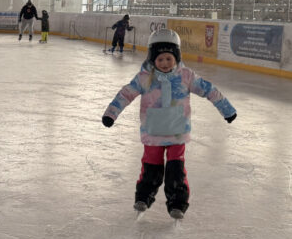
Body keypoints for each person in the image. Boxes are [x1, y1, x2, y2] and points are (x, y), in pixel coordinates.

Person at [101, 29, 236, 219]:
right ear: (152, 59)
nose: (164, 63)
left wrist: (227, 110)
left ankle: (178, 203)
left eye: (169, 58)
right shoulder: (144, 77)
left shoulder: (186, 76)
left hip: (177, 132)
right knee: (150, 168)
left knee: (176, 170)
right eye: (160, 59)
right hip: (153, 132)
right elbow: (125, 94)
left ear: (177, 57)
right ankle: (144, 197)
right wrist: (111, 114)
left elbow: (209, 90)